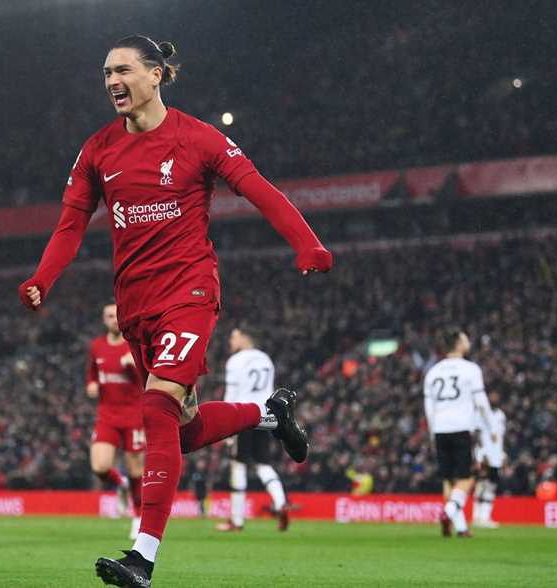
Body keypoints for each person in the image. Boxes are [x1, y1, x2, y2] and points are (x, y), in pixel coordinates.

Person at [18, 35, 332, 587]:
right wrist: (43, 277)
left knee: (157, 406)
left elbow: (258, 189)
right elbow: (71, 224)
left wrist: (307, 244)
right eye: (106, 73)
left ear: (156, 74)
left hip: (189, 292)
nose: (112, 81)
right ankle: (269, 414)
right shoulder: (97, 150)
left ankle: (142, 557)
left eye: (123, 70)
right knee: (182, 432)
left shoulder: (198, 138)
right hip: (135, 306)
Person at [423, 328, 498, 539]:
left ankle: (461, 527)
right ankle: (447, 513)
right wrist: (492, 427)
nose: (468, 342)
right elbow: (481, 402)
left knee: (449, 480)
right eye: (465, 339)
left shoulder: (433, 372)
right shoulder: (470, 369)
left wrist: (432, 432)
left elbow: (429, 408)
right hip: (461, 428)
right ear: (458, 344)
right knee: (466, 479)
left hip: (440, 429)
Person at [216, 326, 292, 532]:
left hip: (243, 414)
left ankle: (237, 520)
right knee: (262, 463)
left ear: (244, 337)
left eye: (234, 336)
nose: (231, 341)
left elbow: (230, 396)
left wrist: (225, 427)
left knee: (238, 464)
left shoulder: (235, 361)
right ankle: (280, 502)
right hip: (265, 415)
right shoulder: (266, 359)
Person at [87, 302, 145, 539]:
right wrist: (91, 385)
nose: (113, 319)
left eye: (116, 315)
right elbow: (92, 373)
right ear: (104, 320)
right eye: (109, 316)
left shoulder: (134, 346)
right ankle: (120, 484)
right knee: (99, 467)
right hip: (107, 416)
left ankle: (138, 518)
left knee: (135, 469)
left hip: (134, 416)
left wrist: (135, 366)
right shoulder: (97, 346)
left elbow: (148, 379)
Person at [473, 391, 506, 528]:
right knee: (481, 484)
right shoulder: (481, 413)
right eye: (492, 396)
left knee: (491, 485)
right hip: (485, 455)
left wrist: (502, 454)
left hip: (496, 456)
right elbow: (476, 434)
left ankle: (484, 517)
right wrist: (481, 454)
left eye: (496, 396)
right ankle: (477, 517)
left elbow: (500, 436)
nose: (494, 398)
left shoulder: (501, 415)